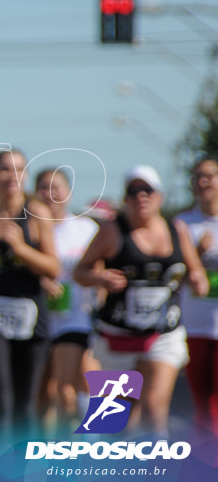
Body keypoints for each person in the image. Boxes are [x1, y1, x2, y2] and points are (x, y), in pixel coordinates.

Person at [75, 165, 208, 438]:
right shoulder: (113, 231)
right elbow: (80, 271)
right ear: (125, 199)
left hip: (163, 334)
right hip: (118, 335)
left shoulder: (176, 229)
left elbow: (194, 270)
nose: (141, 197)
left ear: (158, 196)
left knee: (153, 409)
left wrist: (197, 280)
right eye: (133, 192)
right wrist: (100, 278)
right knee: (114, 419)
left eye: (147, 190)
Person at [0, 149, 59, 446]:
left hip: (31, 315)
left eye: (19, 169)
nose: (12, 176)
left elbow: (53, 267)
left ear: (26, 175)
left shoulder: (37, 213)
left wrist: (21, 248)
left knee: (25, 405)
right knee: (1, 399)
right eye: (5, 169)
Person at [33, 167, 100, 437]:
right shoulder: (30, 230)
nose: (50, 193)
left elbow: (101, 265)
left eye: (56, 186)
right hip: (38, 319)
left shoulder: (86, 229)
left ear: (69, 192)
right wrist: (41, 280)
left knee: (70, 386)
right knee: (42, 394)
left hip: (76, 316)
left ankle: (85, 442)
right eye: (43, 187)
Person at [177, 155, 218, 439]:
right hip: (194, 324)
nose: (204, 182)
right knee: (201, 401)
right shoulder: (182, 223)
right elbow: (175, 275)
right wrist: (198, 256)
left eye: (210, 176)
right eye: (198, 177)